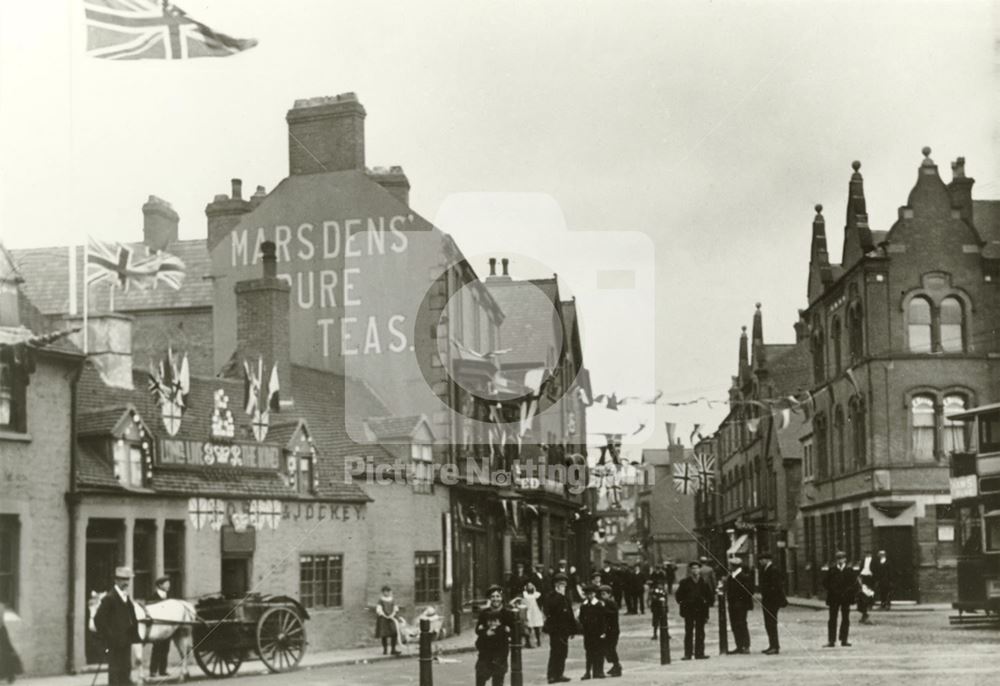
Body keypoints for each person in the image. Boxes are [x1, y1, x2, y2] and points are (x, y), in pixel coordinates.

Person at [93, 566, 140, 686]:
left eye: (128, 579)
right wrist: (109, 637)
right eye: (123, 579)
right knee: (115, 671)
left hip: (125, 640)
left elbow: (131, 617)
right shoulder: (110, 598)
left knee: (126, 668)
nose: (126, 582)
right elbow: (98, 619)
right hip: (114, 643)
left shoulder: (125, 597)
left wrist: (133, 634)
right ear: (116, 580)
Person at [675, 560, 713, 660]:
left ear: (700, 570)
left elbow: (709, 596)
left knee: (700, 632)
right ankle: (688, 653)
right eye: (693, 568)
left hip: (701, 610)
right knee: (689, 632)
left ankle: (699, 653)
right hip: (689, 610)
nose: (695, 570)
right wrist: (684, 604)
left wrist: (706, 605)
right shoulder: (685, 582)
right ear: (690, 570)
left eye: (696, 568)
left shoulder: (704, 582)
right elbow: (679, 596)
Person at [543, 573, 576, 684]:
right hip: (555, 629)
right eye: (560, 584)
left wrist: (573, 629)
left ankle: (559, 673)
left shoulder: (566, 597)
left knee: (563, 652)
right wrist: (559, 595)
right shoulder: (551, 596)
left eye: (564, 584)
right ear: (555, 584)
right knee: (555, 652)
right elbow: (549, 609)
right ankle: (551, 675)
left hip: (565, 629)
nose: (563, 586)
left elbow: (570, 614)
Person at [823, 551, 859, 648]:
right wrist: (832, 589)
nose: (840, 560)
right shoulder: (832, 570)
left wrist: (848, 592)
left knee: (845, 619)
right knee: (832, 619)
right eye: (838, 558)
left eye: (842, 558)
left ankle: (844, 639)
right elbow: (825, 582)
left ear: (845, 559)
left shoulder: (849, 570)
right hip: (834, 598)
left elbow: (854, 584)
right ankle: (831, 640)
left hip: (845, 598)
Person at [758, 552, 786, 655]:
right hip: (768, 601)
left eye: (762, 559)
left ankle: (775, 646)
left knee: (771, 623)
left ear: (767, 559)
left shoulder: (773, 570)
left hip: (772, 601)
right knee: (769, 624)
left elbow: (776, 586)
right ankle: (772, 645)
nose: (760, 562)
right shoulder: (766, 569)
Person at [725, 556, 754, 654]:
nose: (729, 567)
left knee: (741, 624)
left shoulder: (743, 577)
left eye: (731, 565)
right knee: (735, 625)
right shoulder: (731, 576)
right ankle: (739, 646)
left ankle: (746, 646)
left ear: (735, 566)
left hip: (741, 605)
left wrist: (741, 601)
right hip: (733, 605)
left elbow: (749, 591)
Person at [475, 608, 511, 686]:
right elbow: (478, 645)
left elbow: (505, 648)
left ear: (499, 622)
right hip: (484, 659)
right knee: (480, 679)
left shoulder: (502, 631)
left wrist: (501, 659)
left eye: (495, 621)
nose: (492, 623)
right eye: (490, 621)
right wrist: (485, 635)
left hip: (498, 660)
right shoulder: (485, 632)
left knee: (498, 681)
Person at [577, 584, 606, 680]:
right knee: (589, 652)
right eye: (587, 594)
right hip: (588, 632)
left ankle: (599, 671)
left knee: (599, 652)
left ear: (594, 594)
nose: (589, 596)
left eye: (591, 594)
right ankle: (588, 671)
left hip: (597, 632)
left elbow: (603, 620)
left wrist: (603, 631)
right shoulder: (584, 605)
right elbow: (581, 618)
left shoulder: (598, 605)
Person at [147, 576, 172, 677]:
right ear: (160, 585)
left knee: (166, 648)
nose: (168, 585)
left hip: (167, 627)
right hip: (157, 627)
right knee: (157, 648)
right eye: (166, 583)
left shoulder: (169, 597)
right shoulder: (153, 597)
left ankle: (163, 670)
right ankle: (153, 670)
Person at [598, 584, 623, 677]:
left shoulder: (611, 603)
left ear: (609, 594)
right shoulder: (604, 603)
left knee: (611, 648)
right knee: (607, 649)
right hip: (608, 630)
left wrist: (602, 608)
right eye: (601, 594)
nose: (602, 596)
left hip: (613, 630)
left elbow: (611, 613)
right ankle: (615, 665)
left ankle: (617, 665)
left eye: (604, 594)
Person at [374, 585, 401, 656]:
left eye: (388, 592)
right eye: (385, 592)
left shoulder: (392, 600)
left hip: (391, 618)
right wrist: (384, 615)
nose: (386, 593)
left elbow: (395, 608)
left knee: (394, 633)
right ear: (383, 592)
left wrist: (392, 615)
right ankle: (385, 649)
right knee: (384, 634)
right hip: (383, 619)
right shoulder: (381, 600)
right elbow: (379, 609)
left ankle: (393, 649)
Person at [0, 602, 23, 684]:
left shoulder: (1, 606)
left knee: (5, 652)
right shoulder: (1, 605)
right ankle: (9, 674)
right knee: (6, 652)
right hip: (2, 631)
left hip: (1, 632)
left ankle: (10, 674)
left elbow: (0, 622)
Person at [522, 581, 545, 648]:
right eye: (528, 585)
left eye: (531, 585)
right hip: (528, 611)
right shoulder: (525, 595)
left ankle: (538, 641)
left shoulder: (537, 595)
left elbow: (541, 603)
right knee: (528, 626)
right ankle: (528, 642)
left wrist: (541, 611)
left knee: (536, 626)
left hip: (535, 611)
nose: (530, 587)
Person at [857, 552, 876, 625]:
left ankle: (865, 614)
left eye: (869, 553)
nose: (867, 555)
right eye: (866, 553)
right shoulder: (863, 561)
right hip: (863, 578)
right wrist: (860, 577)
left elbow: (875, 570)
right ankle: (864, 614)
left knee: (868, 594)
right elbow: (861, 569)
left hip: (870, 579)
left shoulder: (874, 562)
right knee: (862, 595)